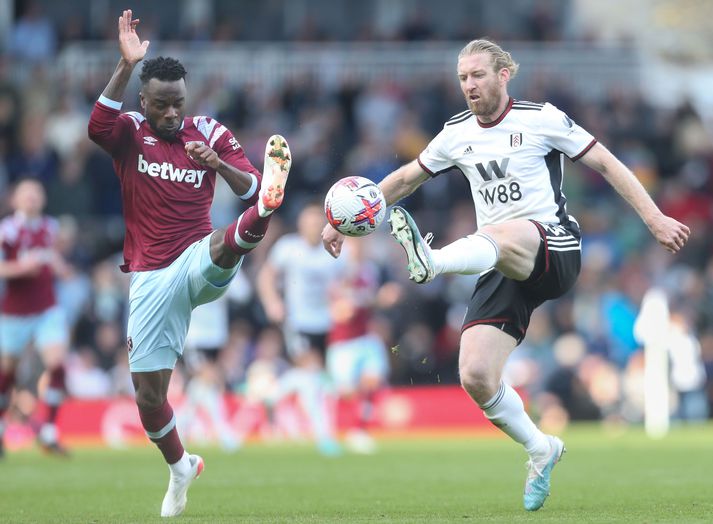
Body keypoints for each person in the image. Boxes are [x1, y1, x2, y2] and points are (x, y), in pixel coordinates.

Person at [322, 38, 690, 511]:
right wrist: (342, 219)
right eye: (462, 78)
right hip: (499, 260)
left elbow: (605, 161)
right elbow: (408, 178)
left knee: (503, 230)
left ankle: (433, 262)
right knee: (475, 373)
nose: (469, 85)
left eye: (477, 75)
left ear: (503, 75)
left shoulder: (540, 117)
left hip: (553, 247)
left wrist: (654, 218)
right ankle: (540, 448)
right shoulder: (456, 132)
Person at [87, 10, 291, 517]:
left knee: (235, 232)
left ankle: (267, 213)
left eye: (178, 102)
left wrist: (218, 166)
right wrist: (124, 63)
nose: (172, 113)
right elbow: (96, 127)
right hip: (150, 277)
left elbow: (245, 183)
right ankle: (180, 467)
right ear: (144, 101)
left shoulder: (210, 132)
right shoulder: (131, 131)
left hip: (199, 257)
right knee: (148, 397)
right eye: (162, 104)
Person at [257, 202, 345, 456]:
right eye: (308, 222)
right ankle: (324, 436)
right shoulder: (288, 248)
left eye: (318, 223)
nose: (313, 227)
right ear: (300, 225)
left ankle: (272, 395)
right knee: (312, 373)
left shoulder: (336, 251)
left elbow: (344, 284)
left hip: (326, 324)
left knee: (312, 377)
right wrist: (272, 302)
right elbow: (266, 276)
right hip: (297, 322)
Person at [0, 178, 71, 457]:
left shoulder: (50, 228)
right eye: (26, 193)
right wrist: (22, 267)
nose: (32, 197)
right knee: (7, 373)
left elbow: (55, 262)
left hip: (46, 308)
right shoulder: (7, 230)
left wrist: (59, 267)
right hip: (14, 312)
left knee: (57, 365)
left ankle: (50, 431)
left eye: (36, 193)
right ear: (15, 200)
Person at [326, 237, 390, 454]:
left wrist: (378, 300)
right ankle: (332, 428)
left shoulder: (370, 270)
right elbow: (337, 308)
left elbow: (365, 301)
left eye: (363, 243)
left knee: (372, 381)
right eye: (356, 243)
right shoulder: (336, 268)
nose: (360, 247)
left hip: (364, 336)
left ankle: (359, 431)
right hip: (342, 341)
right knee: (346, 392)